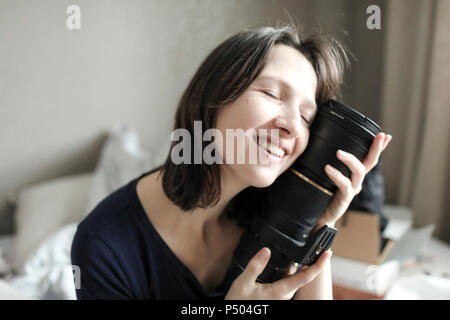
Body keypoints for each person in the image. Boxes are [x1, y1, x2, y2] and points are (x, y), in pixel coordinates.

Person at [71, 25, 392, 300]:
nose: (293, 126)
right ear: (214, 96)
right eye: (272, 93)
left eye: (306, 117)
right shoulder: (103, 246)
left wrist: (317, 224)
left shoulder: (272, 209)